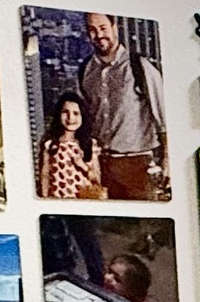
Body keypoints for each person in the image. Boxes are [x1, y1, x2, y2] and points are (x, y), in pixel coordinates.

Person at [79, 14, 166, 200]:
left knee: (143, 218)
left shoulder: (138, 66)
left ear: (114, 27)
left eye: (103, 28)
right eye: (92, 30)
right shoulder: (86, 70)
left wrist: (167, 162)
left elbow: (163, 116)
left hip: (138, 164)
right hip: (102, 167)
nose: (99, 35)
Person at [37, 86, 104, 200]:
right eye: (65, 112)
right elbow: (45, 175)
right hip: (58, 200)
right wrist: (45, 198)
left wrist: (83, 166)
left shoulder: (89, 144)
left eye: (76, 113)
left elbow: (96, 179)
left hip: (83, 200)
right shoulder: (51, 145)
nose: (70, 117)